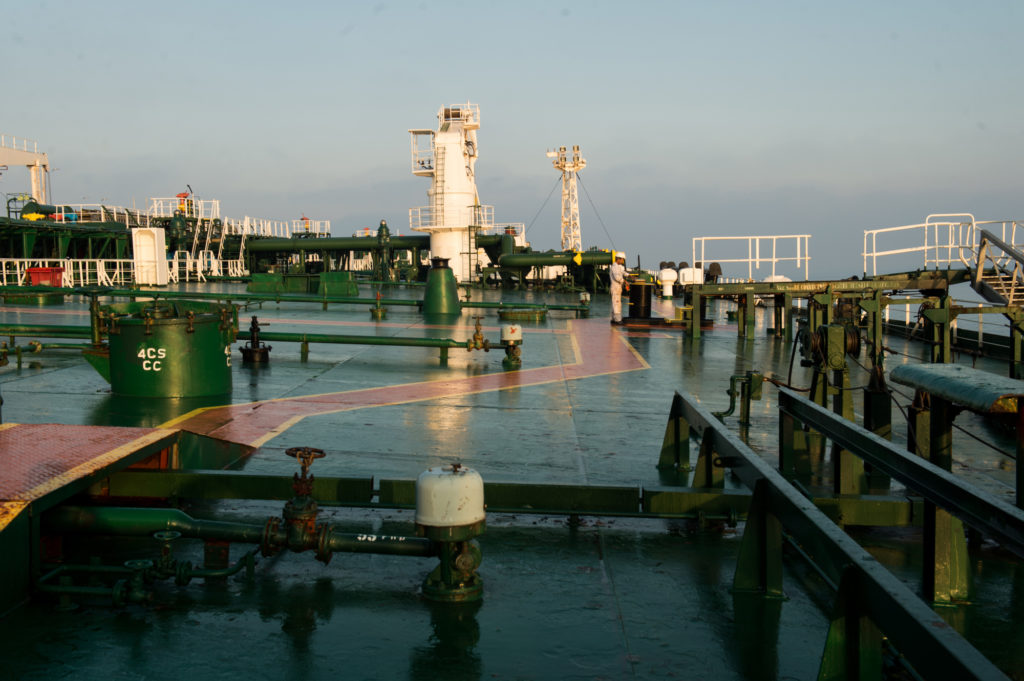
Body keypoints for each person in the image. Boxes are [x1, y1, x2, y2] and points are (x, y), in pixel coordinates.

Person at [609, 252, 627, 324]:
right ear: (618, 259)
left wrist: (629, 275)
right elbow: (617, 277)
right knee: (616, 303)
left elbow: (622, 272)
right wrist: (624, 281)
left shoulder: (618, 267)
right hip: (615, 287)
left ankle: (614, 319)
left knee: (616, 303)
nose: (623, 261)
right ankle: (617, 320)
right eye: (622, 260)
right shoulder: (614, 267)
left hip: (618, 287)